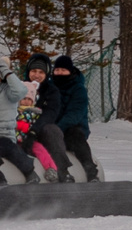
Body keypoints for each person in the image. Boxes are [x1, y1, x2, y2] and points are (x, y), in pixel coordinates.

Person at [17, 58, 71, 182]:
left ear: (46, 74)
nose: (37, 75)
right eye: (34, 71)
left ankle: (62, 170)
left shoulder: (51, 91)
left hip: (39, 128)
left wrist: (33, 131)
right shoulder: (19, 88)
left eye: (41, 72)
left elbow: (50, 114)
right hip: (17, 130)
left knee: (52, 130)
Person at [51, 53, 101, 181]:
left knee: (75, 135)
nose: (60, 73)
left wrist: (57, 130)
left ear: (70, 71)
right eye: (57, 70)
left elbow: (74, 114)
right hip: (52, 127)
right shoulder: (49, 87)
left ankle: (90, 170)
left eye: (63, 70)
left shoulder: (78, 89)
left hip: (72, 128)